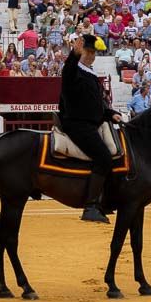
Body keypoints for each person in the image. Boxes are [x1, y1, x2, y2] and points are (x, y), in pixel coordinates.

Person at [59, 33, 123, 224]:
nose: (92, 55)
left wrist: (110, 113)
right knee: (103, 157)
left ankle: (104, 201)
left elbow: (96, 103)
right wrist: (73, 55)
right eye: (88, 51)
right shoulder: (74, 71)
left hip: (90, 123)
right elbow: (67, 72)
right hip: (77, 124)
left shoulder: (90, 72)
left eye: (93, 52)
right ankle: (91, 206)